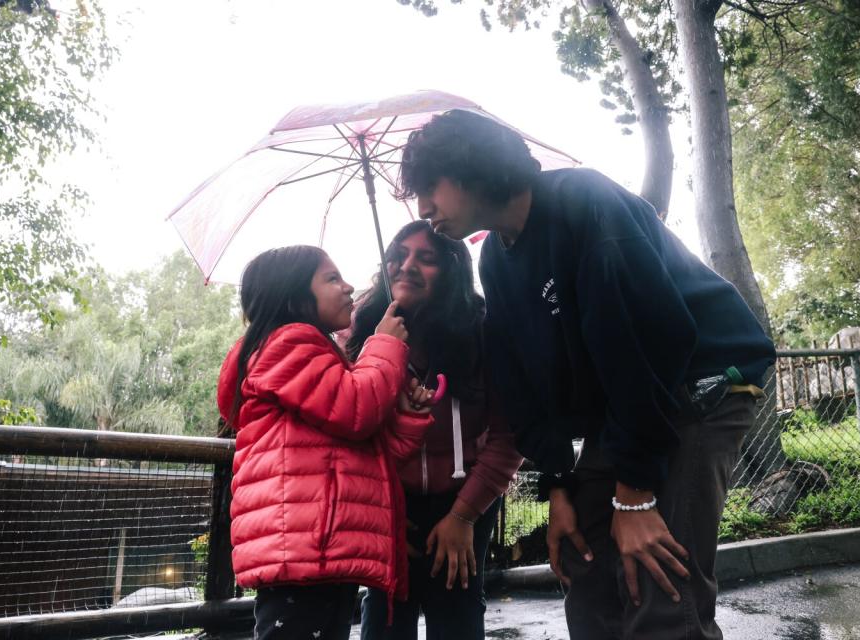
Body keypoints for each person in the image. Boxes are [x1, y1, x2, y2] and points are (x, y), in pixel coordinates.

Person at [396, 110, 777, 639]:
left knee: (655, 575)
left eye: (429, 187)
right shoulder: (495, 264)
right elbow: (524, 388)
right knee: (582, 558)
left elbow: (650, 342)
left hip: (700, 381)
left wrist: (635, 495)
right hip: (624, 405)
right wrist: (558, 487)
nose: (423, 208)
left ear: (470, 168)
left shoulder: (584, 203)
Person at [217, 245, 436, 640]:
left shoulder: (317, 355)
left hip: (324, 546)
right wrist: (383, 345)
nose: (349, 287)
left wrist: (409, 415)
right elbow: (358, 410)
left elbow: (371, 455)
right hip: (306, 549)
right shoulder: (287, 345)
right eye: (332, 278)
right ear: (293, 296)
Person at [346, 221, 524, 640]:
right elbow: (348, 433)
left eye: (425, 259)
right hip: (390, 504)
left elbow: (509, 437)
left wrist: (463, 516)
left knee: (458, 611)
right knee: (386, 612)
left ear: (453, 270)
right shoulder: (360, 332)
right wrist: (381, 514)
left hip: (466, 498)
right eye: (399, 255)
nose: (406, 266)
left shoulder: (485, 333)